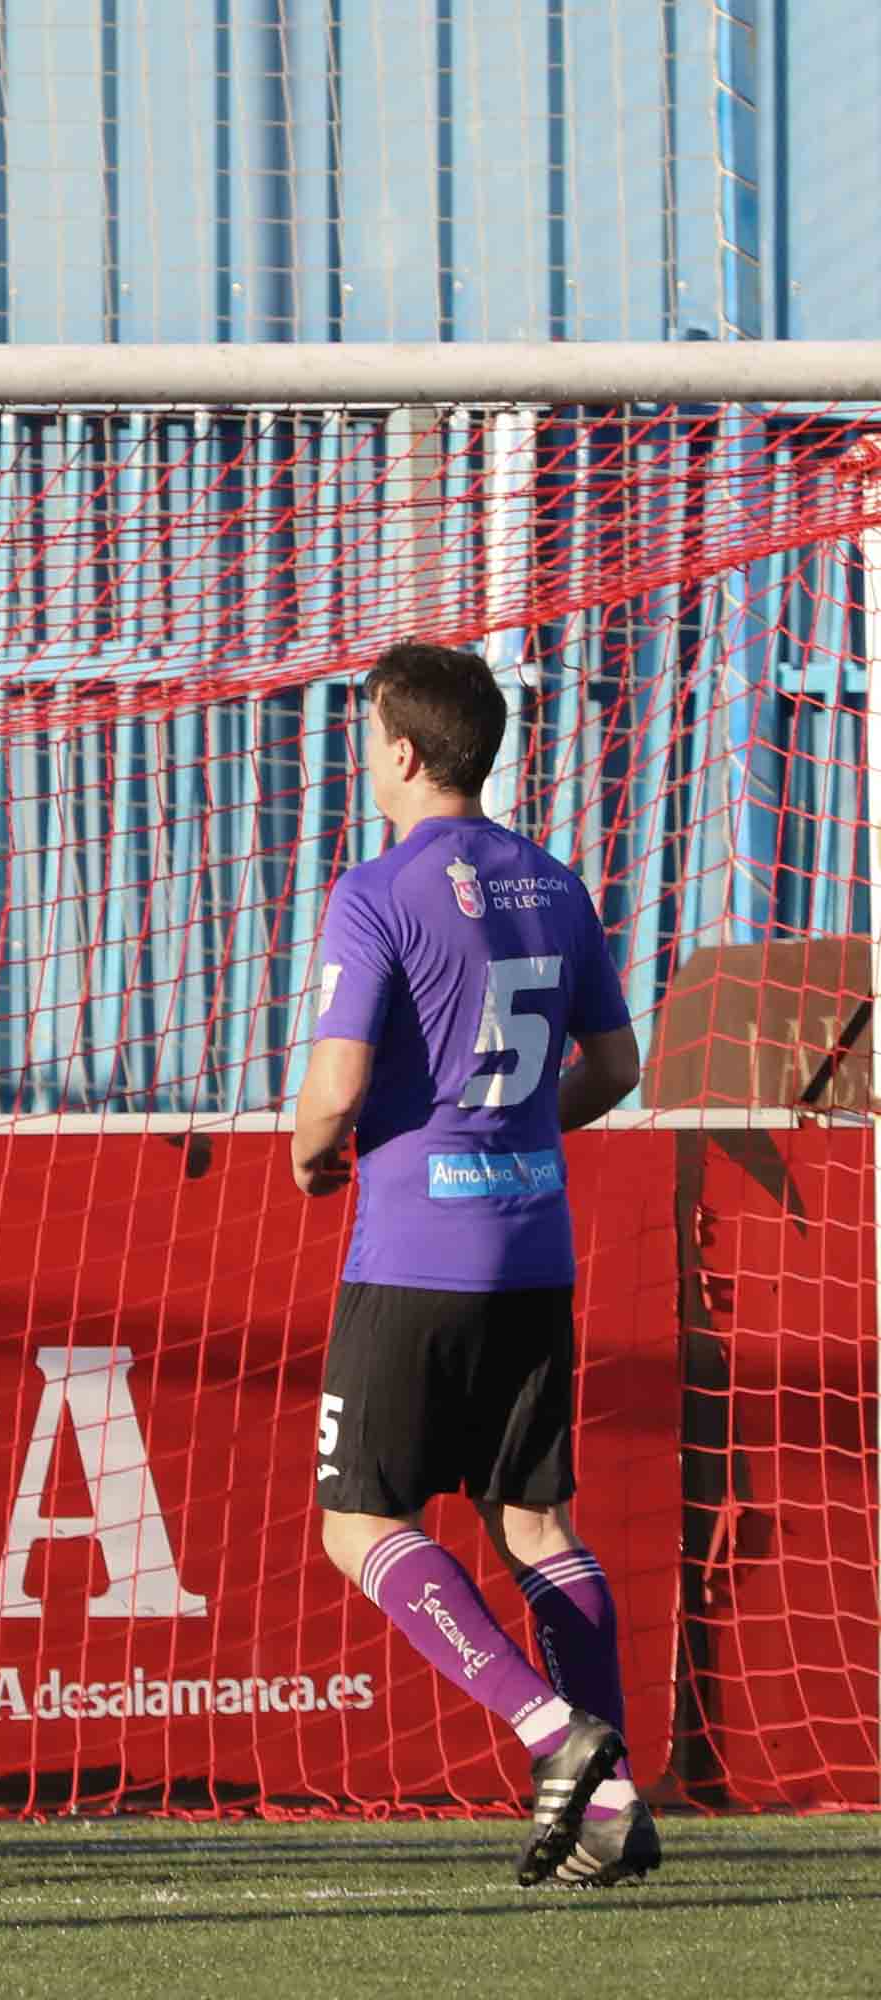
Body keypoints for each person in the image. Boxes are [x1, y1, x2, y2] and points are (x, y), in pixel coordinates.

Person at [290, 641, 655, 1888]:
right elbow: (615, 1068)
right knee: (537, 1516)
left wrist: (309, 1152)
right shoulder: (553, 880)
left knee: (358, 1520)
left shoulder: (378, 887)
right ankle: (613, 1806)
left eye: (367, 734)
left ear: (399, 750)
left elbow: (335, 1093)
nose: (364, 755)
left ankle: (555, 1733)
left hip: (413, 1251)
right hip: (534, 1245)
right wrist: (512, 1135)